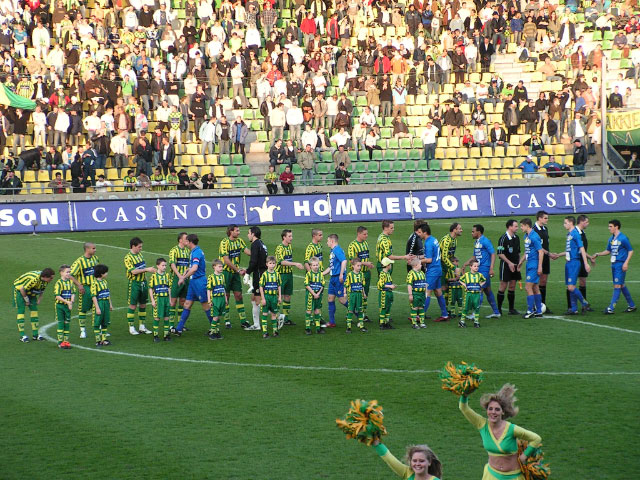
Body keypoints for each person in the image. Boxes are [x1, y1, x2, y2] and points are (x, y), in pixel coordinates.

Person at [458, 384, 542, 480]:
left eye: (497, 409)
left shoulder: (511, 429)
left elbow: (536, 438)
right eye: (490, 409)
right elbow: (463, 408)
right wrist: (464, 395)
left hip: (513, 477)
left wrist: (524, 456)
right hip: (491, 475)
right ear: (487, 411)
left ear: (503, 412)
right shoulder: (482, 424)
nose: (493, 412)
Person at [174, 234, 215, 334]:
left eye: (187, 241)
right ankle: (179, 329)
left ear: (190, 242)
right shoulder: (195, 251)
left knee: (205, 305)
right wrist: (189, 269)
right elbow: (195, 266)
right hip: (193, 282)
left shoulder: (196, 252)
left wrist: (183, 277)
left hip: (199, 282)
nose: (186, 243)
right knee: (187, 304)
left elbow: (195, 268)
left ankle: (215, 329)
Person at [593, 219, 637, 314]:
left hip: (620, 264)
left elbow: (631, 250)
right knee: (621, 285)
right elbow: (608, 251)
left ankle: (611, 308)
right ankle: (632, 305)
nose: (609, 228)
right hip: (613, 264)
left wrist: (626, 263)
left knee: (617, 285)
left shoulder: (623, 238)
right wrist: (598, 254)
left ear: (616, 227)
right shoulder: (611, 238)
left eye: (610, 226)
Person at [464, 225, 501, 318]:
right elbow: (474, 256)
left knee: (478, 290)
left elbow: (493, 253)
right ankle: (496, 312)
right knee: (488, 291)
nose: (471, 233)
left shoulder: (485, 241)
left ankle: (474, 314)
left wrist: (491, 268)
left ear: (478, 232)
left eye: (473, 231)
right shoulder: (477, 242)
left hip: (484, 269)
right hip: (479, 269)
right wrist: (466, 264)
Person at [218, 225, 251, 329]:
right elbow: (226, 260)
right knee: (226, 296)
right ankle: (227, 321)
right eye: (237, 231)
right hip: (226, 273)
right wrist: (238, 270)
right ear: (230, 231)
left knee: (238, 295)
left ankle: (243, 320)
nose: (239, 232)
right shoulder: (224, 242)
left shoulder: (239, 241)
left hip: (235, 274)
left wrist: (258, 252)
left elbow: (247, 251)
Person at [417, 223, 450, 322]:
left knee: (427, 292)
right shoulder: (433, 239)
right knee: (438, 292)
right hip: (437, 268)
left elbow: (429, 259)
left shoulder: (428, 243)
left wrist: (417, 261)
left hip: (433, 270)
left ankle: (420, 316)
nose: (418, 234)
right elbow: (429, 255)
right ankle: (444, 314)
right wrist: (417, 257)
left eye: (419, 232)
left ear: (425, 232)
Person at [13, 268, 55, 342]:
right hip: (20, 291)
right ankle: (22, 335)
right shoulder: (34, 280)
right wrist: (26, 300)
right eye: (51, 278)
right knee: (21, 311)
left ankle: (35, 335)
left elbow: (42, 289)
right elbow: (23, 289)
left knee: (34, 310)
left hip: (32, 291)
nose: (52, 279)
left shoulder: (45, 280)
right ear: (45, 277)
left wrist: (39, 299)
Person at [124, 237, 156, 335]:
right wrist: (147, 269)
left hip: (143, 283)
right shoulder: (128, 258)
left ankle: (142, 327)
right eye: (139, 247)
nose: (141, 248)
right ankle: (131, 327)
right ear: (133, 246)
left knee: (143, 304)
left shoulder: (140, 255)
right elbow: (133, 271)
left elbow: (141, 268)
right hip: (134, 284)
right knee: (133, 305)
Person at [372, 438, 443, 480]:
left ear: (429, 462)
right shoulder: (408, 473)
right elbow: (389, 458)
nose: (417, 464)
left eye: (421, 461)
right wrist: (377, 444)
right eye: (414, 461)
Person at [70, 242, 100, 339]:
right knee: (83, 309)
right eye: (93, 248)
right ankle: (82, 331)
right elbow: (70, 275)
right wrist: (79, 285)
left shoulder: (95, 259)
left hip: (96, 286)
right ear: (87, 249)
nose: (95, 250)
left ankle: (99, 329)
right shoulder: (79, 261)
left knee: (98, 307)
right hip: (86, 288)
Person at [275, 229, 305, 327]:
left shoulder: (290, 247)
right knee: (279, 297)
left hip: (289, 275)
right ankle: (276, 317)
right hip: (281, 275)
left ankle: (286, 319)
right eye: (289, 236)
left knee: (287, 296)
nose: (291, 238)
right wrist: (295, 264)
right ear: (284, 237)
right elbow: (281, 262)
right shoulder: (280, 248)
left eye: (291, 236)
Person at [518, 218, 545, 319]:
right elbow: (527, 251)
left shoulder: (534, 236)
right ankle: (538, 311)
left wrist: (540, 266)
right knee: (535, 287)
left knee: (527, 287)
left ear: (527, 225)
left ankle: (530, 311)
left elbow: (541, 251)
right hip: (529, 264)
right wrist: (521, 261)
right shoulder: (526, 236)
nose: (521, 228)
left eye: (522, 226)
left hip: (534, 265)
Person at [348, 226, 375, 323]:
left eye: (367, 234)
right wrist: (365, 264)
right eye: (364, 234)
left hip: (366, 273)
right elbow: (352, 261)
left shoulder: (365, 243)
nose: (366, 236)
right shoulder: (352, 245)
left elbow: (366, 257)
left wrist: (368, 266)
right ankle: (353, 314)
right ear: (358, 234)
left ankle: (363, 314)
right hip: (356, 275)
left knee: (365, 295)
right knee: (355, 296)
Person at [323, 233, 349, 328]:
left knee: (342, 300)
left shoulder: (337, 250)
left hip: (338, 278)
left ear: (332, 241)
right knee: (330, 298)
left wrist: (341, 274)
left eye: (328, 241)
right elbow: (331, 267)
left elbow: (344, 261)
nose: (327, 243)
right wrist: (321, 275)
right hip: (333, 278)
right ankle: (332, 322)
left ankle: (359, 314)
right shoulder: (333, 251)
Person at [496, 220, 521, 316]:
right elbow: (500, 253)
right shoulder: (503, 238)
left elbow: (518, 252)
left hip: (515, 265)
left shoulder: (517, 238)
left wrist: (519, 263)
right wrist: (509, 263)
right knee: (503, 286)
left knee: (512, 286)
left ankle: (511, 309)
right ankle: (498, 309)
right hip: (505, 265)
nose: (517, 228)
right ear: (510, 227)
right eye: (515, 226)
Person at [246, 226, 269, 331]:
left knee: (258, 300)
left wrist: (247, 272)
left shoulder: (255, 244)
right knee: (253, 298)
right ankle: (256, 324)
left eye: (249, 233)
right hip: (262, 272)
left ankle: (277, 315)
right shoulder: (262, 243)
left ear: (253, 234)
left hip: (259, 274)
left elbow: (254, 261)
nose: (248, 235)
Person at [532, 211, 556, 312]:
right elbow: (539, 247)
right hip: (537, 258)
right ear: (539, 218)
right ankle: (535, 305)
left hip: (545, 258)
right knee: (535, 282)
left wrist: (549, 254)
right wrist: (549, 254)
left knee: (543, 281)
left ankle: (542, 305)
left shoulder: (545, 229)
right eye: (545, 218)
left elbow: (545, 245)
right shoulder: (533, 230)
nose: (547, 220)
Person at [169, 232, 191, 329]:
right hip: (176, 279)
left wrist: (184, 276)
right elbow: (172, 264)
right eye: (185, 238)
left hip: (185, 279)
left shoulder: (187, 251)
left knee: (183, 301)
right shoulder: (173, 250)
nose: (187, 240)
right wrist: (179, 276)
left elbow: (189, 265)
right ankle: (170, 325)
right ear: (180, 240)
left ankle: (180, 324)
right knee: (173, 302)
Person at [572, 215, 594, 312]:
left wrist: (590, 257)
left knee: (582, 282)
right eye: (587, 222)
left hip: (582, 259)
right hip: (576, 261)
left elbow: (583, 250)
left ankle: (583, 305)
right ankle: (571, 306)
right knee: (571, 283)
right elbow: (577, 250)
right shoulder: (575, 233)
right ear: (582, 222)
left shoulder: (582, 232)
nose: (588, 224)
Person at [148, 258, 172, 343]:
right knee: (157, 318)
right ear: (158, 266)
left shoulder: (167, 275)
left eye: (165, 265)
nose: (164, 267)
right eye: (163, 265)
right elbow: (150, 288)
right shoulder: (154, 276)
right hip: (158, 299)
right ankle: (155, 335)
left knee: (166, 317)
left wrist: (170, 299)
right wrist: (152, 300)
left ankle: (166, 335)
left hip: (166, 299)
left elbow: (169, 288)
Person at [459, 259, 486, 328]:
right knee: (466, 308)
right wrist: (465, 285)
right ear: (470, 266)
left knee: (476, 308)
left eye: (477, 266)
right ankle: (462, 322)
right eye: (475, 266)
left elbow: (484, 280)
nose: (476, 267)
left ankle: (476, 322)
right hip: (468, 294)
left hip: (477, 294)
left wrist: (480, 285)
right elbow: (460, 280)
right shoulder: (467, 275)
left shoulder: (479, 275)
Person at [259, 256, 282, 339]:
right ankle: (265, 332)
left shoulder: (277, 274)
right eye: (270, 263)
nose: (272, 265)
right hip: (266, 297)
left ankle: (275, 331)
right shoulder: (264, 275)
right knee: (264, 314)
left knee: (273, 314)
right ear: (267, 264)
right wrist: (263, 298)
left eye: (273, 263)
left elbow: (279, 286)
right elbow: (261, 287)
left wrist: (279, 296)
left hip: (274, 297)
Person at [91, 264, 113, 348]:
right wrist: (97, 308)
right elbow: (93, 296)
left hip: (106, 303)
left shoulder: (105, 282)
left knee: (105, 322)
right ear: (101, 273)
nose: (107, 274)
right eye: (105, 272)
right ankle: (98, 341)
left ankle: (104, 339)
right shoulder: (94, 283)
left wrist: (110, 304)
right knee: (97, 322)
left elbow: (108, 294)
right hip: (99, 303)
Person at [53, 265, 75, 349]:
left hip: (68, 306)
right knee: (61, 323)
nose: (69, 273)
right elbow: (57, 296)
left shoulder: (70, 282)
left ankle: (66, 342)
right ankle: (60, 342)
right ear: (61, 273)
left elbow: (73, 293)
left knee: (67, 323)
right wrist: (67, 302)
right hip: (60, 306)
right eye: (67, 272)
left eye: (70, 272)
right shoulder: (58, 283)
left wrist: (71, 302)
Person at [206, 259, 228, 340]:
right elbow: (208, 289)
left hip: (222, 298)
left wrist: (225, 299)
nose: (221, 268)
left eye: (222, 266)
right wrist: (209, 300)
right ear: (214, 267)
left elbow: (223, 288)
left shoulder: (222, 276)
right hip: (215, 299)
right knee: (215, 317)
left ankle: (217, 331)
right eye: (219, 266)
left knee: (218, 316)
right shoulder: (211, 277)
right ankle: (212, 332)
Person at [304, 256, 326, 335]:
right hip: (310, 295)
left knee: (317, 310)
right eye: (314, 265)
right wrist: (314, 293)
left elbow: (322, 285)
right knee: (309, 311)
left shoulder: (320, 274)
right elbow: (307, 285)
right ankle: (307, 328)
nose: (316, 266)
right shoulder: (309, 274)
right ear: (310, 266)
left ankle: (318, 328)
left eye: (317, 265)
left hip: (318, 295)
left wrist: (318, 293)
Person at [407, 257, 427, 329]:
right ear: (416, 265)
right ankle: (414, 323)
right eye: (420, 264)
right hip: (415, 293)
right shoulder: (411, 274)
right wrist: (410, 295)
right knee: (415, 308)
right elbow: (409, 285)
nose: (421, 265)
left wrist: (426, 292)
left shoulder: (422, 273)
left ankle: (422, 323)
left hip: (422, 294)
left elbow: (425, 283)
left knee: (421, 307)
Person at [377, 257, 396, 330]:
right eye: (390, 264)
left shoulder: (387, 273)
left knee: (388, 308)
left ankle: (386, 323)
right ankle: (382, 324)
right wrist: (390, 286)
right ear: (387, 265)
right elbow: (381, 285)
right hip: (384, 293)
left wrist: (392, 285)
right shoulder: (382, 274)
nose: (391, 265)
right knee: (383, 308)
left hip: (389, 292)